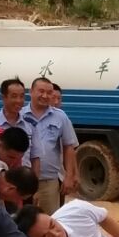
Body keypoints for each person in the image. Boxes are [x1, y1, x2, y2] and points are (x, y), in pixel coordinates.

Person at [23, 76, 78, 212]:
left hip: (49, 181)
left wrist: (69, 176)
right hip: (22, 180)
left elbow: (68, 147)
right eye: (41, 91)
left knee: (50, 219)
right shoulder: (20, 115)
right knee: (21, 219)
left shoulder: (60, 116)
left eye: (49, 93)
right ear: (31, 91)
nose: (45, 96)